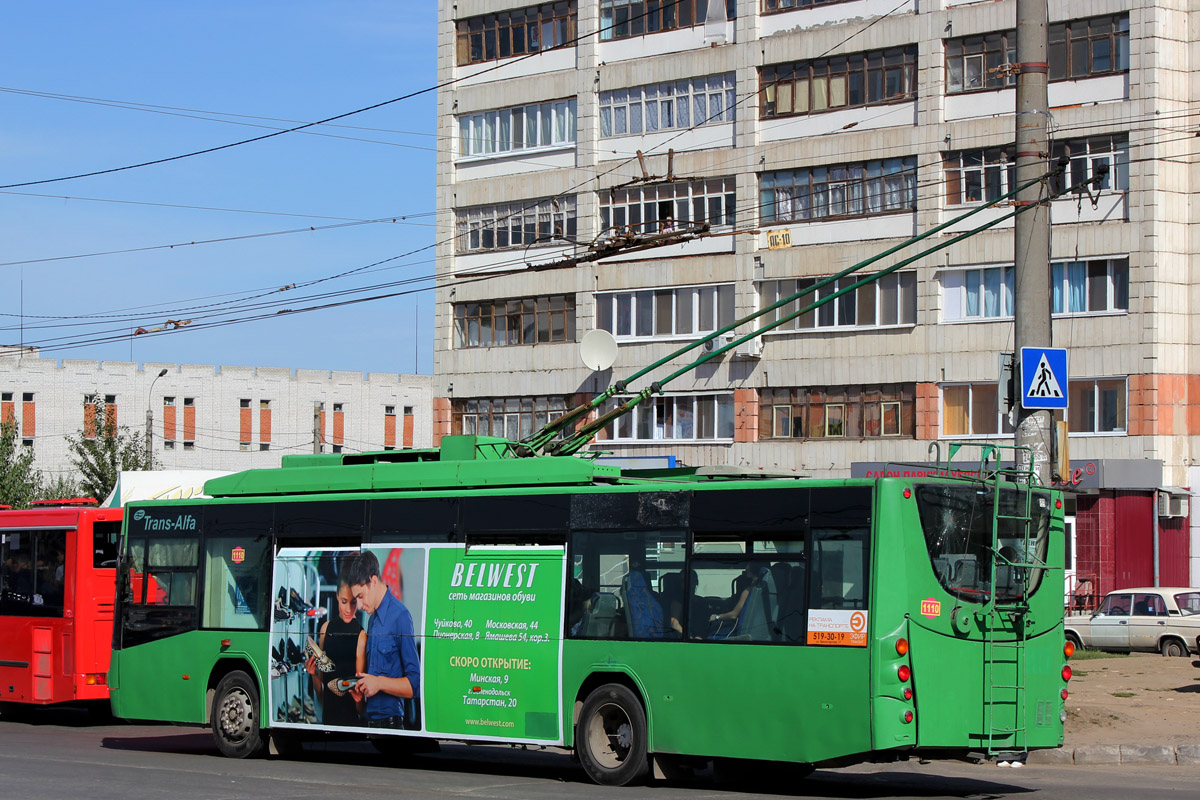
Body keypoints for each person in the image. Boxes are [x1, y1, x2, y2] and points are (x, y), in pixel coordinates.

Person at [347, 551, 421, 730]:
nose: (359, 605)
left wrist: (379, 683)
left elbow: (414, 685)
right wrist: (361, 694)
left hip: (391, 725)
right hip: (369, 720)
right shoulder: (372, 620)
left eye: (360, 596)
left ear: (373, 581)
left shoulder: (401, 616)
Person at [306, 564, 367, 726]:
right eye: (344, 601)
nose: (348, 609)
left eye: (353, 603)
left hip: (351, 717)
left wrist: (360, 702)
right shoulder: (326, 628)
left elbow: (361, 704)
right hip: (328, 715)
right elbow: (321, 690)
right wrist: (313, 674)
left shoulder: (361, 636)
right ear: (337, 596)